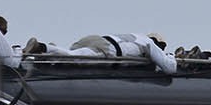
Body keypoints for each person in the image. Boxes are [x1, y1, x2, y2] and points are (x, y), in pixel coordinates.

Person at [27, 32, 176, 75]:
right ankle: (43, 47)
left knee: (70, 58)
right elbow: (169, 68)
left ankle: (47, 52)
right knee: (72, 58)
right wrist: (171, 57)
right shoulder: (149, 44)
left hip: (96, 39)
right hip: (108, 49)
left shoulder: (137, 36)